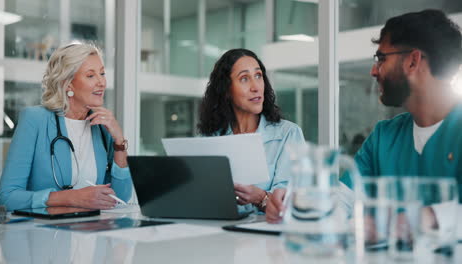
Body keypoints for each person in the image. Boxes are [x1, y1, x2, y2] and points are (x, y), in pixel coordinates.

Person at [267, 9, 462, 223]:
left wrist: (430, 218)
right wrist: (300, 204)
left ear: (413, 62)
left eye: (381, 59)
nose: (373, 71)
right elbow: (344, 198)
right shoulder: (384, 136)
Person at [0, 43, 133, 211]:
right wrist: (72, 198)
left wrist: (119, 141)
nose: (102, 82)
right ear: (68, 83)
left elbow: (120, 198)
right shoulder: (35, 120)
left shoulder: (102, 127)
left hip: (92, 232)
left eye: (102, 73)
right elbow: (7, 197)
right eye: (91, 76)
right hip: (45, 233)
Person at [198, 48, 305, 212]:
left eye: (258, 76)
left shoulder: (288, 134)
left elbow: (295, 205)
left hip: (267, 236)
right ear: (226, 90)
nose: (255, 87)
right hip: (218, 232)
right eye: (244, 79)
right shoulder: (209, 138)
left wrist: (260, 198)